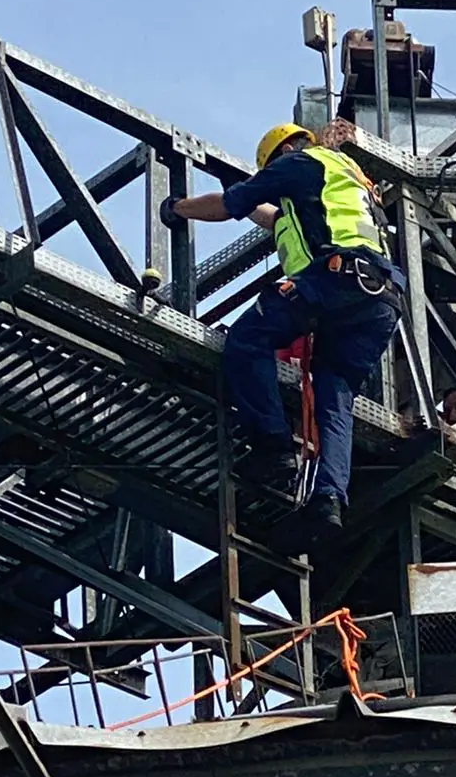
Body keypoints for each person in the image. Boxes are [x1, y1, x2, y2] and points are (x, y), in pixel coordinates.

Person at [160, 122, 402, 545]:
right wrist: (243, 190)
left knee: (248, 338)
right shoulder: (343, 182)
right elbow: (272, 216)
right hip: (380, 298)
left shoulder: (299, 162)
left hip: (336, 280)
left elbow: (227, 207)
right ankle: (328, 497)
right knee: (335, 391)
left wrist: (178, 208)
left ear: (286, 150)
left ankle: (274, 448)